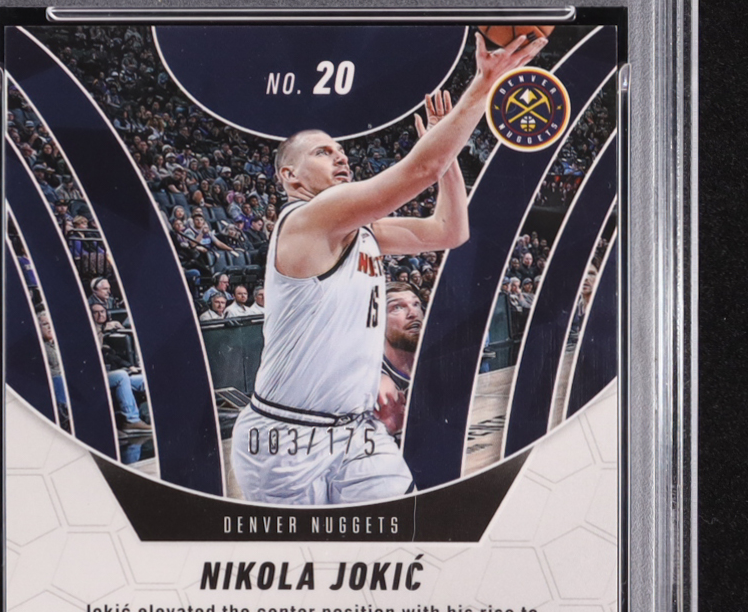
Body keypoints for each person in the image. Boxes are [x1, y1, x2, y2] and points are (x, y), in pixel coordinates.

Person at [231, 30, 547, 505]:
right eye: (322, 152)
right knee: (307, 552)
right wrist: (484, 84)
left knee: (402, 532)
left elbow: (449, 231)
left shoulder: (363, 230)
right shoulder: (305, 221)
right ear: (289, 176)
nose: (340, 156)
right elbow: (418, 170)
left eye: (341, 151)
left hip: (355, 431)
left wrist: (447, 158)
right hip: (285, 435)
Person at [90, 301, 151, 432]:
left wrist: (129, 366)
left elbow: (111, 356)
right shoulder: (90, 332)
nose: (100, 315)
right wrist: (101, 330)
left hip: (110, 372)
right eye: (96, 312)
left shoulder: (105, 330)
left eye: (102, 311)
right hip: (95, 377)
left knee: (144, 379)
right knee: (121, 376)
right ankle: (131, 420)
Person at [376, 286, 425, 438]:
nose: (413, 313)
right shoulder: (373, 378)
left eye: (416, 304)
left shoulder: (439, 365)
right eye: (397, 307)